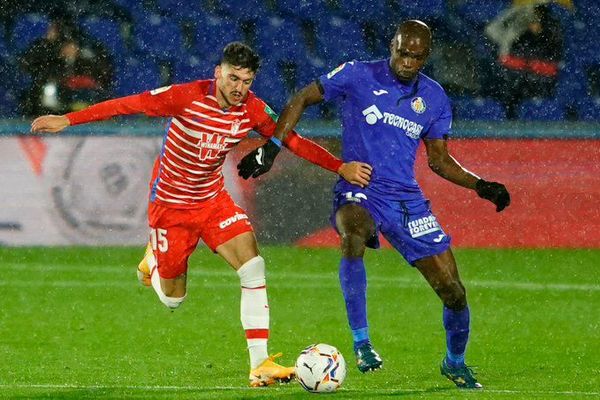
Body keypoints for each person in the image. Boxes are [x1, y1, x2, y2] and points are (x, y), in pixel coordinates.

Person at [30, 42, 372, 387]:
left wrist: (339, 166)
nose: (239, 88)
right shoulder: (186, 97)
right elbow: (127, 105)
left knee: (253, 265)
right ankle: (152, 261)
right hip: (171, 207)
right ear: (217, 73)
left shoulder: (251, 110)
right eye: (233, 78)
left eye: (247, 81)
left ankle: (259, 364)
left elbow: (293, 140)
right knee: (173, 299)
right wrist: (68, 119)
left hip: (211, 200)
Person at [237, 21, 511, 389]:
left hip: (406, 200)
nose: (407, 61)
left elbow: (439, 161)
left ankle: (455, 362)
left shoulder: (434, 98)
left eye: (416, 56)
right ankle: (362, 343)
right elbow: (302, 97)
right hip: (360, 186)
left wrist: (481, 185)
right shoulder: (356, 74)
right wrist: (271, 148)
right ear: (392, 45)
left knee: (454, 293)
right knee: (353, 234)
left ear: (425, 57)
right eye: (402, 52)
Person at [19, 15, 113, 116]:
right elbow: (28, 65)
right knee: (49, 90)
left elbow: (102, 71)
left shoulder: (88, 53)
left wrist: (80, 62)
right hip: (56, 96)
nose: (69, 48)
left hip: (82, 97)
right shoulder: (46, 52)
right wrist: (56, 53)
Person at [486, 3, 563, 118]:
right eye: (531, 21)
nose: (533, 24)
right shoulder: (522, 37)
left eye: (536, 21)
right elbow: (492, 31)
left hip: (540, 80)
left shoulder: (551, 37)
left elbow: (552, 64)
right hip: (523, 77)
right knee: (511, 84)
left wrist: (532, 66)